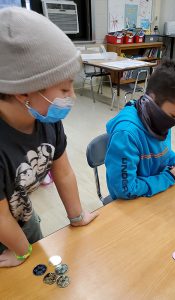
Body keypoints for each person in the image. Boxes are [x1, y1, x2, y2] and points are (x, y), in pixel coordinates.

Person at [0, 7, 98, 268]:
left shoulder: (47, 121)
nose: (72, 97)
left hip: (21, 216)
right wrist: (21, 250)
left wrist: (77, 216)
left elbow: (63, 172)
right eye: (64, 89)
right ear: (24, 93)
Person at [105, 59, 175, 200]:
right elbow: (125, 189)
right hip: (130, 203)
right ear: (152, 100)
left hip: (154, 194)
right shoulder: (126, 134)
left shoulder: (159, 118)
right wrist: (166, 178)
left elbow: (162, 154)